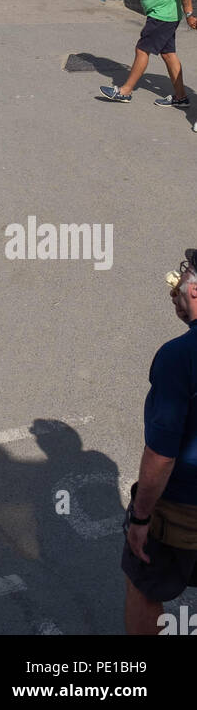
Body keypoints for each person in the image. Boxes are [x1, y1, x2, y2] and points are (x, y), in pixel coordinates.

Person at [122, 253, 197, 634]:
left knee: (145, 587)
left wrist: (141, 517)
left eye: (183, 273)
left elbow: (162, 456)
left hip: (182, 510)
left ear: (195, 290)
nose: (175, 283)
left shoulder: (179, 357)